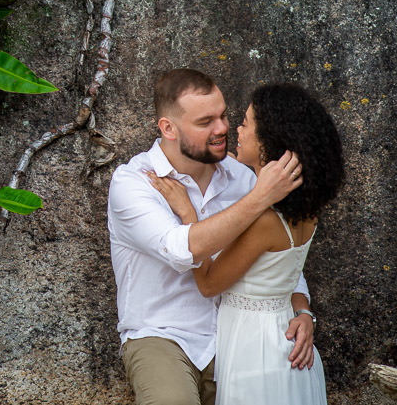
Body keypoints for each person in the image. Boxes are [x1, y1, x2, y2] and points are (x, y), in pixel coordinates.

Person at [107, 68, 315, 405]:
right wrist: (260, 198)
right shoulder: (134, 183)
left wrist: (303, 311)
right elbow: (180, 250)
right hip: (163, 335)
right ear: (168, 128)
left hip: (232, 334)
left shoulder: (242, 179)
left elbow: (276, 256)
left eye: (223, 115)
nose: (222, 129)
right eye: (205, 122)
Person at [147, 83, 344, 405]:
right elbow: (282, 274)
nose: (233, 128)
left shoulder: (265, 220)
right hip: (282, 343)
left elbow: (210, 283)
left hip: (258, 352)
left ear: (267, 144)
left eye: (246, 123)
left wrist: (187, 213)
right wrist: (304, 311)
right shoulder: (303, 212)